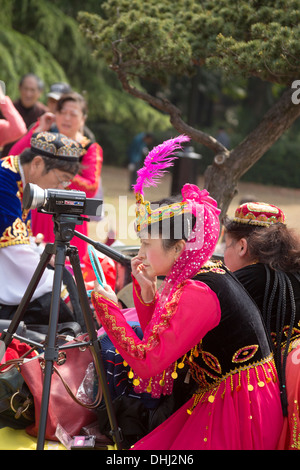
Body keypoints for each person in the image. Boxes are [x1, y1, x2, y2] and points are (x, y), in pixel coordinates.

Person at [90, 135, 283, 450]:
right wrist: (148, 294)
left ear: (179, 247)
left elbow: (149, 362)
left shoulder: (198, 291)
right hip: (224, 395)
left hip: (240, 406)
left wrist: (107, 309)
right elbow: (161, 347)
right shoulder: (195, 276)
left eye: (146, 245)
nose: (138, 255)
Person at [223, 201, 300, 450]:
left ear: (242, 246)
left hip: (262, 396)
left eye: (227, 246)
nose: (224, 255)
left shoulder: (242, 280)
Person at [0, 131, 84, 330]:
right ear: (37, 163)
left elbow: (19, 240)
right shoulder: (4, 183)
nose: (61, 188)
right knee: (54, 299)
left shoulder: (18, 177)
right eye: (61, 179)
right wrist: (61, 289)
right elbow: (14, 252)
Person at [9, 92, 103, 261]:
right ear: (55, 114)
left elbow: (91, 188)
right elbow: (15, 158)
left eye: (73, 114)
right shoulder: (46, 139)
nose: (66, 118)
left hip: (67, 217)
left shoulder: (89, 147)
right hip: (38, 211)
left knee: (66, 270)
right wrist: (38, 130)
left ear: (83, 118)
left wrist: (59, 175)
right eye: (62, 112)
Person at [0, 74, 48, 157]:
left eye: (32, 90)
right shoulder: (7, 110)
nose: (28, 94)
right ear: (19, 88)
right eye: (25, 89)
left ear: (40, 92)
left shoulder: (45, 115)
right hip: (6, 160)